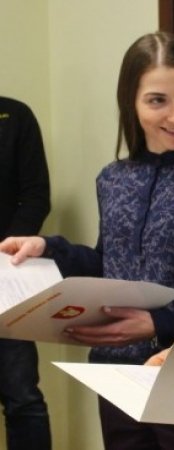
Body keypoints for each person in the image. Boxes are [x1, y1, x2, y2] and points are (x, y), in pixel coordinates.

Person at [0, 32, 174, 450]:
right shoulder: (114, 179)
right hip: (115, 376)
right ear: (131, 103)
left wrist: (160, 323)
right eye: (157, 100)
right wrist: (49, 250)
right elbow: (110, 264)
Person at [0, 96, 52, 449]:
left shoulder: (15, 116)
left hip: (6, 279)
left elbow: (35, 197)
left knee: (23, 399)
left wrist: (4, 256)